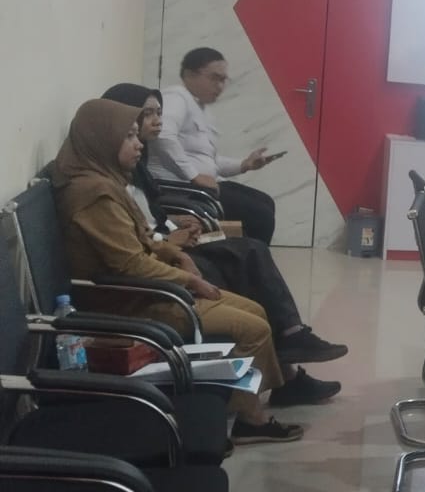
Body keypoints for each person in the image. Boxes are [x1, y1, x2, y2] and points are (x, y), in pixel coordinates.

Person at [50, 100, 332, 444]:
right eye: (129, 137)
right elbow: (131, 264)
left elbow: (142, 240)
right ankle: (247, 418)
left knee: (256, 310)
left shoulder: (105, 181)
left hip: (145, 289)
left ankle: (242, 408)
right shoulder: (95, 196)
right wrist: (191, 279)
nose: (139, 145)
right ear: (102, 139)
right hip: (130, 302)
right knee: (254, 329)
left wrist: (175, 254)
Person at [104, 83, 346, 367]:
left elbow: (148, 213)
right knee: (241, 260)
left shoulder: (137, 164)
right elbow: (134, 242)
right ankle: (287, 355)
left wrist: (174, 222)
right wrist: (169, 239)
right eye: (147, 115)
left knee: (252, 248)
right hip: (160, 259)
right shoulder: (108, 182)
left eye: (159, 113)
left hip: (167, 240)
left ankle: (290, 343)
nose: (158, 121)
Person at [146, 47, 280, 244]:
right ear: (190, 74)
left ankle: (250, 257)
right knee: (260, 214)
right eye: (215, 78)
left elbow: (209, 160)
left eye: (224, 80)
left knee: (265, 202)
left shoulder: (200, 108)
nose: (220, 86)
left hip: (202, 186)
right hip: (180, 189)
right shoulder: (176, 97)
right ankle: (251, 259)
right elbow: (163, 136)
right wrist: (193, 175)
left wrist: (244, 164)